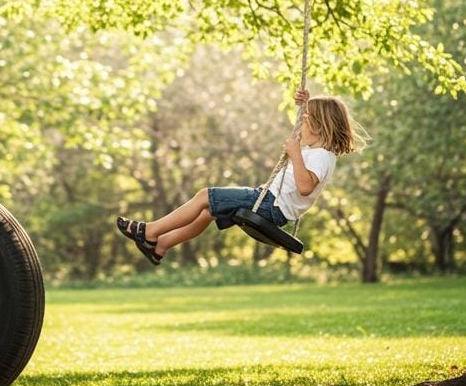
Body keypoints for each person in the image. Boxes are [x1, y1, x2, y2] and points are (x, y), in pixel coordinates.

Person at [116, 89, 362, 265]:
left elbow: (305, 187)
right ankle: (161, 246)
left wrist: (296, 155)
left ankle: (150, 231)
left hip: (270, 204)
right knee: (207, 212)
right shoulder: (317, 151)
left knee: (205, 196)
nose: (301, 127)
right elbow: (306, 133)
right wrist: (305, 104)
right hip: (272, 205)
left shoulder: (320, 156)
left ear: (320, 126)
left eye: (307, 121)